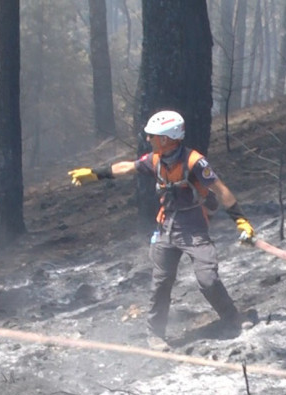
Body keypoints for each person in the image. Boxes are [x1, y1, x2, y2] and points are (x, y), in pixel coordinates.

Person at [68, 110, 255, 350]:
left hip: (194, 227)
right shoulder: (155, 160)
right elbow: (128, 167)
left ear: (166, 139)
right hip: (166, 227)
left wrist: (241, 221)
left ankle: (232, 318)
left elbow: (220, 190)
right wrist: (96, 173)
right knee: (161, 282)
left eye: (152, 136)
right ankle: (155, 335)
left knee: (208, 280)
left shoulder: (194, 162)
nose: (148, 139)